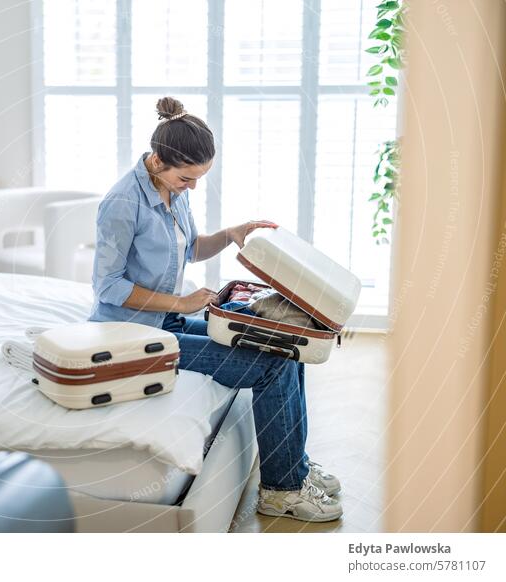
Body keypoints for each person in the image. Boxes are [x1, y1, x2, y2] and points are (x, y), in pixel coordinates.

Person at [89, 96, 343, 522]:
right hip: (131, 335)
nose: (192, 186)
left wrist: (230, 233)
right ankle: (281, 491)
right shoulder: (122, 202)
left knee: (286, 345)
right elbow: (108, 287)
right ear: (156, 161)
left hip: (162, 320)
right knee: (270, 367)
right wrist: (182, 303)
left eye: (199, 179)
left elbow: (190, 249)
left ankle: (293, 465)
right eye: (187, 178)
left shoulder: (173, 190)